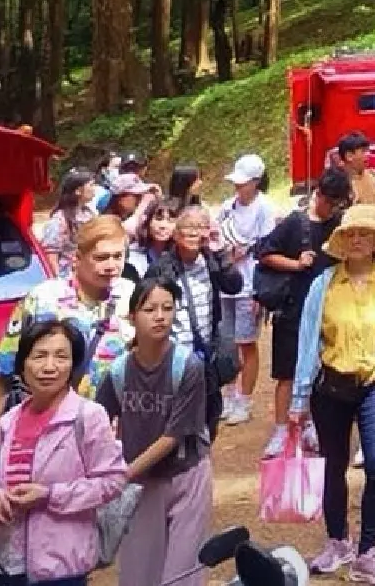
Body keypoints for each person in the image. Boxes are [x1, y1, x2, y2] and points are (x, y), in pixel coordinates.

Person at [288, 205, 375, 584]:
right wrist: (298, 399)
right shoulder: (323, 284)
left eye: (365, 234)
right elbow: (308, 341)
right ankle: (336, 541)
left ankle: (368, 551)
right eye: (351, 234)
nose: (358, 240)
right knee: (333, 465)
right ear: (341, 241)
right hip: (330, 387)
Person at [0, 318, 129, 586]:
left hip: (62, 566)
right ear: (23, 364)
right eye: (39, 356)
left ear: (73, 365)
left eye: (61, 357)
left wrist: (49, 496)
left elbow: (113, 481)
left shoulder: (88, 416)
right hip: (5, 565)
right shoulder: (8, 421)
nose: (49, 367)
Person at [98, 277, 214, 586]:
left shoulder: (188, 366)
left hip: (186, 474)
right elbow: (97, 422)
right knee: (139, 574)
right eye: (150, 309)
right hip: (142, 483)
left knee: (183, 573)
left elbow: (173, 435)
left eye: (167, 308)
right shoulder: (119, 370)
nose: (160, 316)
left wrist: (121, 475)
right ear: (132, 316)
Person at [0, 217, 136, 431]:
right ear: (77, 258)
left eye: (118, 257)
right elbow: (2, 371)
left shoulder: (132, 296)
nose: (112, 266)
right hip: (48, 429)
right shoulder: (43, 299)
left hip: (111, 435)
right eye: (102, 257)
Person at [256, 165, 351, 459]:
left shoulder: (339, 225)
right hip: (294, 309)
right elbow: (265, 254)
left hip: (330, 310)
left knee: (324, 372)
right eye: (330, 201)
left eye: (338, 204)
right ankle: (282, 428)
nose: (332, 208)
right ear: (319, 195)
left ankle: (312, 423)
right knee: (287, 373)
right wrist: (296, 264)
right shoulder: (295, 223)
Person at [147, 206, 244, 430]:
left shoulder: (211, 260)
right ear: (176, 233)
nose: (194, 233)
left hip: (206, 353)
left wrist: (221, 252)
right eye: (188, 227)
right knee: (176, 420)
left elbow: (234, 285)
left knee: (209, 417)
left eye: (201, 227)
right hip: (175, 355)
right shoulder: (161, 267)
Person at [216, 154, 276, 425]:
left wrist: (259, 292)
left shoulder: (265, 209)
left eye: (243, 183)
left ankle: (244, 399)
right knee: (226, 342)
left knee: (246, 343)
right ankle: (228, 395)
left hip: (249, 284)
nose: (238, 188)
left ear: (255, 182)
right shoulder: (228, 207)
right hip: (227, 283)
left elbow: (267, 248)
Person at [39, 169, 103, 276]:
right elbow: (51, 256)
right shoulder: (60, 220)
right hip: (68, 277)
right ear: (78, 191)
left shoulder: (89, 214)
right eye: (91, 185)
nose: (94, 189)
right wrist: (57, 283)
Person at [127, 200, 180, 282]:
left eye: (170, 221)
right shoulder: (133, 254)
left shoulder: (182, 256)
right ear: (148, 222)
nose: (163, 226)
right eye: (158, 219)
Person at [338, 132, 375, 207]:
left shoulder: (374, 175)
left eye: (368, 150)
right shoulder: (339, 182)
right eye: (363, 151)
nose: (368, 154)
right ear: (349, 156)